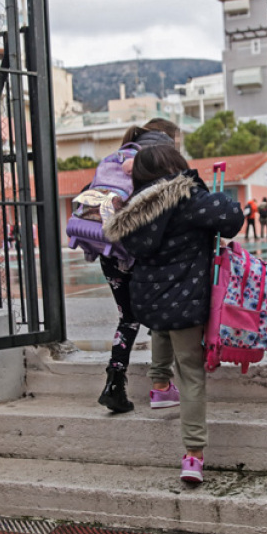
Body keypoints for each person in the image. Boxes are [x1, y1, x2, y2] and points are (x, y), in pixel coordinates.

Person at [104, 145, 244, 483]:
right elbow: (232, 220)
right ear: (175, 166)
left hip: (149, 298)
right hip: (186, 296)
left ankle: (159, 385)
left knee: (161, 328)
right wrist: (205, 190)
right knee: (192, 374)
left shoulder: (134, 210)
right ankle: (193, 456)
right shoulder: (187, 198)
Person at [95, 118, 181, 414]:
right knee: (162, 314)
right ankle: (161, 384)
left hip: (109, 249)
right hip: (139, 250)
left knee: (128, 318)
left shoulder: (119, 156)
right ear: (169, 139)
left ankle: (114, 382)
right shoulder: (160, 158)